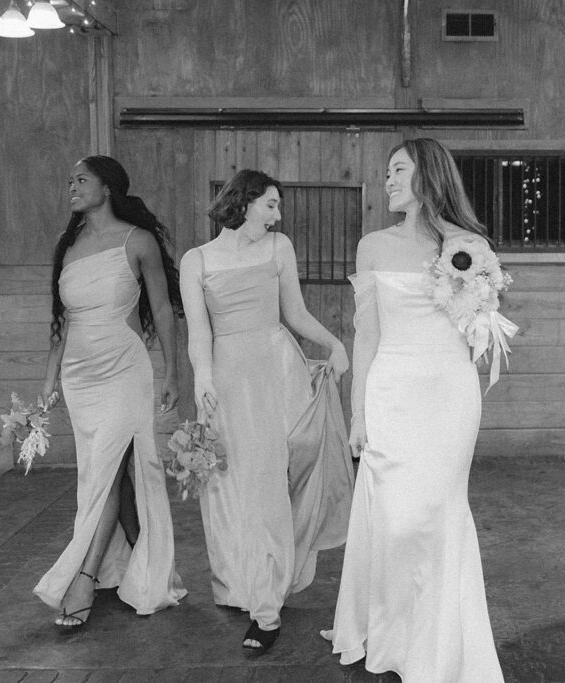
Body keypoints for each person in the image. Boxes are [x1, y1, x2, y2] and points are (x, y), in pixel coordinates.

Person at [321, 138, 505, 681]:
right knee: (397, 520)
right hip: (392, 390)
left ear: (428, 176)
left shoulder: (469, 245)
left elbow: (482, 327)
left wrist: (480, 307)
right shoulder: (372, 246)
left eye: (398, 169)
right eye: (385, 172)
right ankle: (394, 630)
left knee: (436, 515)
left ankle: (438, 643)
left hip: (450, 392)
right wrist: (358, 413)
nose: (388, 180)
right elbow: (365, 336)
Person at [179, 169, 350, 653]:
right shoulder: (197, 260)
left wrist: (334, 342)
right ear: (244, 202)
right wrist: (203, 377)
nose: (277, 216)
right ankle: (243, 584)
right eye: (271, 205)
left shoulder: (279, 249)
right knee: (229, 486)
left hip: (275, 370)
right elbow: (198, 333)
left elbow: (294, 314)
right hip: (228, 377)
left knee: (270, 482)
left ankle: (268, 609)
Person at [34, 155, 187, 629]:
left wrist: (172, 375)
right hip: (79, 377)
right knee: (106, 477)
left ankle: (82, 576)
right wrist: (49, 378)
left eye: (81, 179)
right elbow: (61, 322)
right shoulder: (70, 244)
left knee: (107, 473)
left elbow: (162, 311)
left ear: (108, 188)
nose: (72, 188)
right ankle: (140, 561)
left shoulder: (137, 241)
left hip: (124, 369)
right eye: (70, 180)